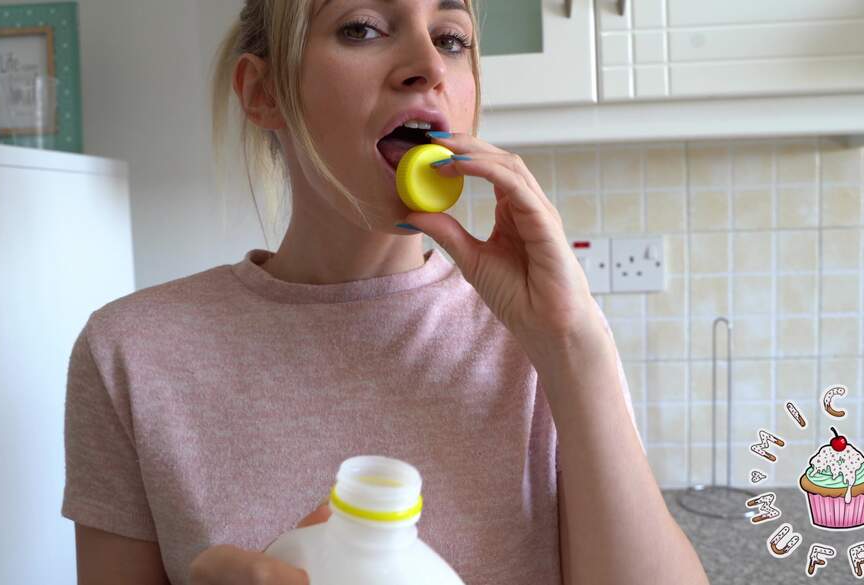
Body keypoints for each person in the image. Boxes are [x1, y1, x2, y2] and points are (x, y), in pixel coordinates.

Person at [61, 1, 710, 584]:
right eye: (363, 28)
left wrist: (573, 345)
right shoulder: (131, 353)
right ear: (264, 93)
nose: (428, 66)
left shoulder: (544, 337)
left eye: (451, 38)